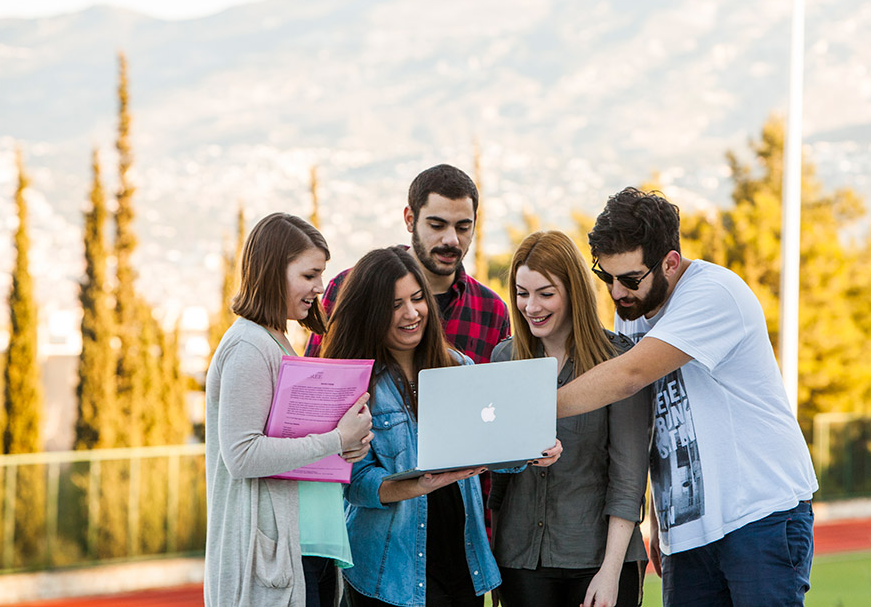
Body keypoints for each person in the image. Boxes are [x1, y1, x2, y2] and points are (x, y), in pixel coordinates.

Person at [556, 189, 818, 607]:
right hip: (689, 535)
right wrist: (662, 521)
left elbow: (629, 376)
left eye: (630, 279)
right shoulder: (633, 315)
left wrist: (537, 410)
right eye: (607, 278)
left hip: (759, 518)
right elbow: (652, 425)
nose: (617, 293)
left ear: (671, 262)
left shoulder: (713, 293)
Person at [320, 246, 561, 607]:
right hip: (389, 570)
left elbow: (489, 448)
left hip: (462, 562)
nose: (411, 313)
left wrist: (532, 448)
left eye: (418, 298)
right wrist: (419, 484)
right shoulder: (356, 384)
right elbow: (356, 485)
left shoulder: (459, 367)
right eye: (395, 304)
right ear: (370, 312)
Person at [205, 212, 374, 607]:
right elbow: (242, 456)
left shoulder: (275, 340)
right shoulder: (249, 346)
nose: (320, 287)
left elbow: (292, 445)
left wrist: (345, 447)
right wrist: (335, 439)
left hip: (304, 552)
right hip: (272, 562)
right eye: (309, 275)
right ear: (272, 273)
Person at [488, 231, 651, 607]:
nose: (531, 306)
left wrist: (610, 572)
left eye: (546, 294)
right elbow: (499, 483)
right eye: (522, 293)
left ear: (573, 292)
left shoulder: (617, 358)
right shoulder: (504, 360)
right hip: (521, 560)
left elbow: (628, 477)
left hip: (598, 561)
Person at [306, 163, 509, 365]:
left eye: (463, 227)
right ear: (410, 219)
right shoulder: (349, 287)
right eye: (437, 226)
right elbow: (313, 375)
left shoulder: (492, 310)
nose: (451, 240)